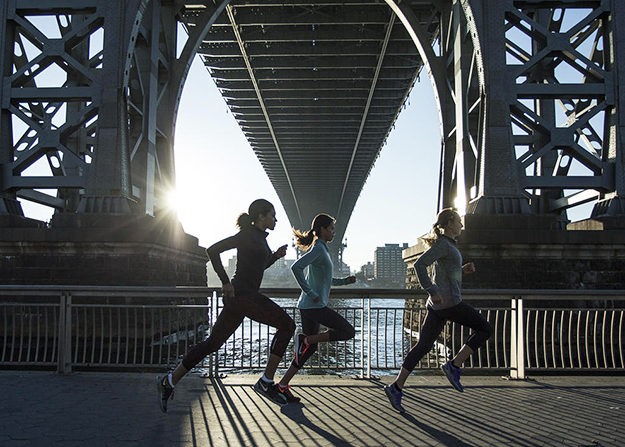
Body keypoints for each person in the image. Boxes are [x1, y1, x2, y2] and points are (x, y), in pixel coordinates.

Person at [157, 199, 296, 411]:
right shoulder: (246, 235)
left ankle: (169, 380)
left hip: (242, 298)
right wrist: (225, 282)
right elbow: (212, 251)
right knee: (287, 325)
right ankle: (266, 382)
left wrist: (276, 256)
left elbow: (260, 266)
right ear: (261, 216)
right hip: (241, 294)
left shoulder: (261, 239)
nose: (275, 219)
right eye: (273, 215)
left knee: (212, 344)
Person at [384, 208, 492, 413]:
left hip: (438, 307)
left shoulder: (448, 245)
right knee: (485, 329)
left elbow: (444, 275)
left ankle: (396, 387)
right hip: (449, 304)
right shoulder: (443, 244)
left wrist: (462, 271)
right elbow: (419, 264)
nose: (461, 225)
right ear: (450, 224)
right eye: (458, 221)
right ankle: (454, 365)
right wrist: (432, 290)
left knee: (422, 346)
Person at [275, 213, 356, 403]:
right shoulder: (319, 249)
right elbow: (296, 268)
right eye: (331, 229)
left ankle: (283, 384)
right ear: (322, 230)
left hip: (310, 306)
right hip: (313, 305)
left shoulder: (322, 250)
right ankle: (306, 339)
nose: (334, 232)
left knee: (309, 350)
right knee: (347, 331)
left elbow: (327, 280)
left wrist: (345, 282)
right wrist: (311, 293)